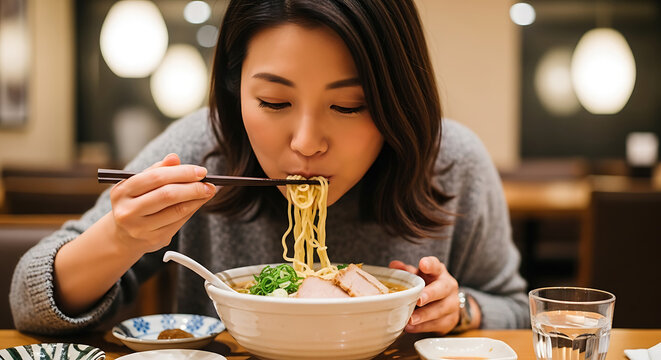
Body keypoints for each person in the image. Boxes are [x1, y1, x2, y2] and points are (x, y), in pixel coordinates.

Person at [10, 0, 529, 336]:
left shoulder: (451, 161)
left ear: (397, 100)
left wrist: (458, 307)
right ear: (237, 90)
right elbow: (28, 304)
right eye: (275, 103)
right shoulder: (202, 147)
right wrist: (120, 239)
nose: (305, 144)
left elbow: (513, 306)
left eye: (349, 106)